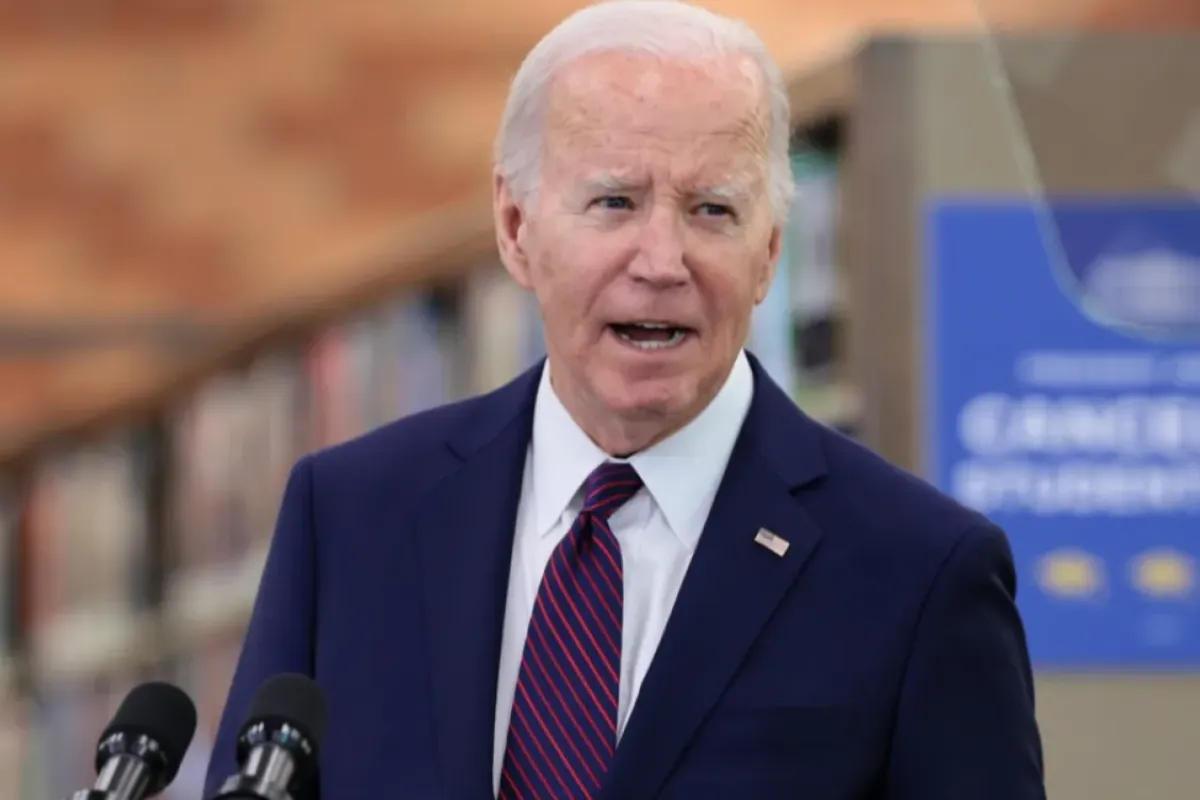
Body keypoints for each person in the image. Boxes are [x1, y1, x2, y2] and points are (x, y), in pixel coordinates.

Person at [203, 1, 1047, 798]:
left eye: (713, 211)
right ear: (515, 225)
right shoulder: (350, 520)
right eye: (615, 202)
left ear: (770, 255)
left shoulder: (920, 571)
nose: (661, 260)